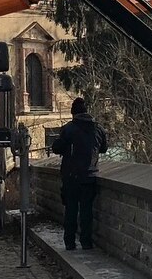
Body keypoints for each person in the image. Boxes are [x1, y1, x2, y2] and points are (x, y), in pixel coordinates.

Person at [53, 97, 108, 250]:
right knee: (86, 210)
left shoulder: (69, 129)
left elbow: (57, 148)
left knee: (71, 209)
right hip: (90, 175)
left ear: (73, 113)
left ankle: (70, 242)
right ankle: (86, 241)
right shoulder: (98, 129)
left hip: (71, 176)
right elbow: (103, 148)